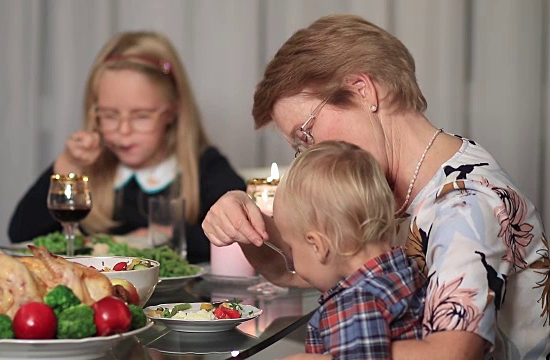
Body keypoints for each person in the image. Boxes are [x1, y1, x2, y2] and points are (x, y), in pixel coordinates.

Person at [202, 14, 549, 359]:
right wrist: (244, 216)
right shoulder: (394, 190)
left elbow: (451, 354)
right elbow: (295, 269)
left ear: (361, 90)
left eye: (305, 134)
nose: (310, 154)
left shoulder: (466, 205)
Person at [9, 31, 245, 264]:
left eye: (141, 117)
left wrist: (162, 236)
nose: (123, 131)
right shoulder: (91, 168)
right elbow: (21, 234)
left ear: (173, 111)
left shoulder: (205, 167)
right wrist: (68, 167)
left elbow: (243, 236)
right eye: (110, 116)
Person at [274, 140, 426, 359]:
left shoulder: (356, 304)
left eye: (291, 246)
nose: (292, 258)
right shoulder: (405, 269)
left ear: (318, 246)